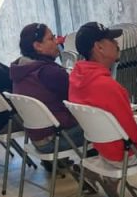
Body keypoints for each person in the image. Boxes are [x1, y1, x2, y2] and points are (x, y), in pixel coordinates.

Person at [68, 22, 137, 166]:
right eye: (111, 40)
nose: (116, 43)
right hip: (126, 152)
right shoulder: (107, 86)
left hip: (103, 149)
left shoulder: (75, 80)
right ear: (99, 47)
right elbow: (134, 134)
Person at [10, 23, 84, 155]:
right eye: (51, 39)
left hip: (38, 138)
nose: (56, 42)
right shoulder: (48, 72)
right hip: (57, 139)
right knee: (104, 125)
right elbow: (80, 98)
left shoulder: (21, 69)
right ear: (38, 46)